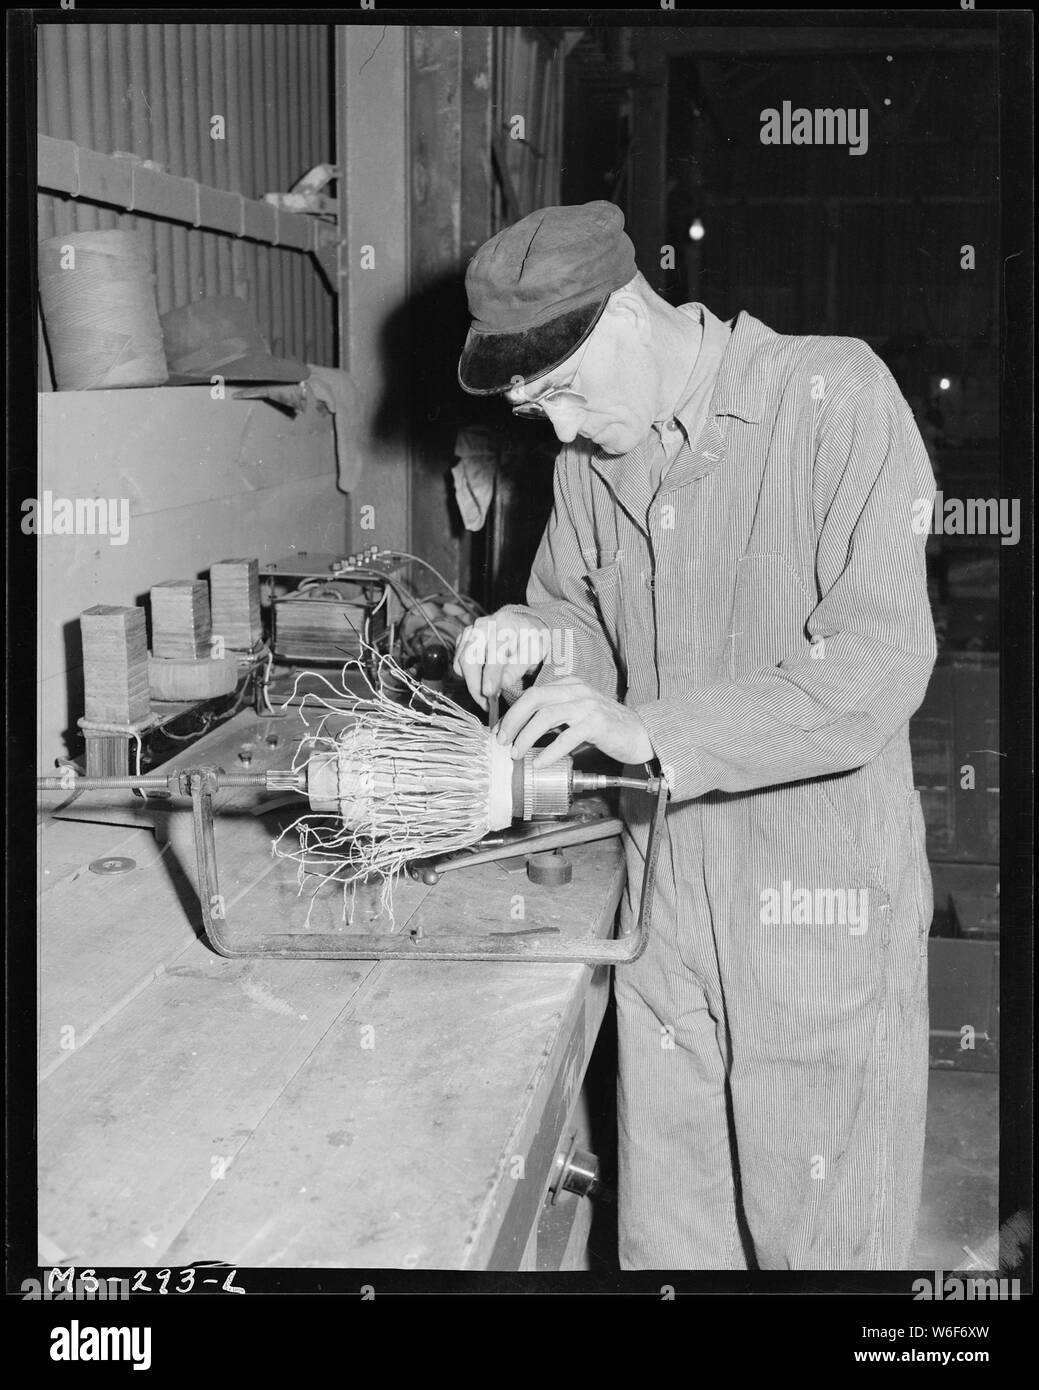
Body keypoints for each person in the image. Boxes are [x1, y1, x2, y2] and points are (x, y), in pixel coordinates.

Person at [452, 200, 937, 1270]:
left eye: (566, 393)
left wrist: (646, 727)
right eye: (543, 417)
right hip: (664, 904)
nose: (565, 435)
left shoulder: (829, 395)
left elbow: (877, 665)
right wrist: (534, 634)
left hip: (815, 904)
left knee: (826, 1241)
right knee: (674, 1237)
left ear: (629, 309)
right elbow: (578, 627)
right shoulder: (589, 467)